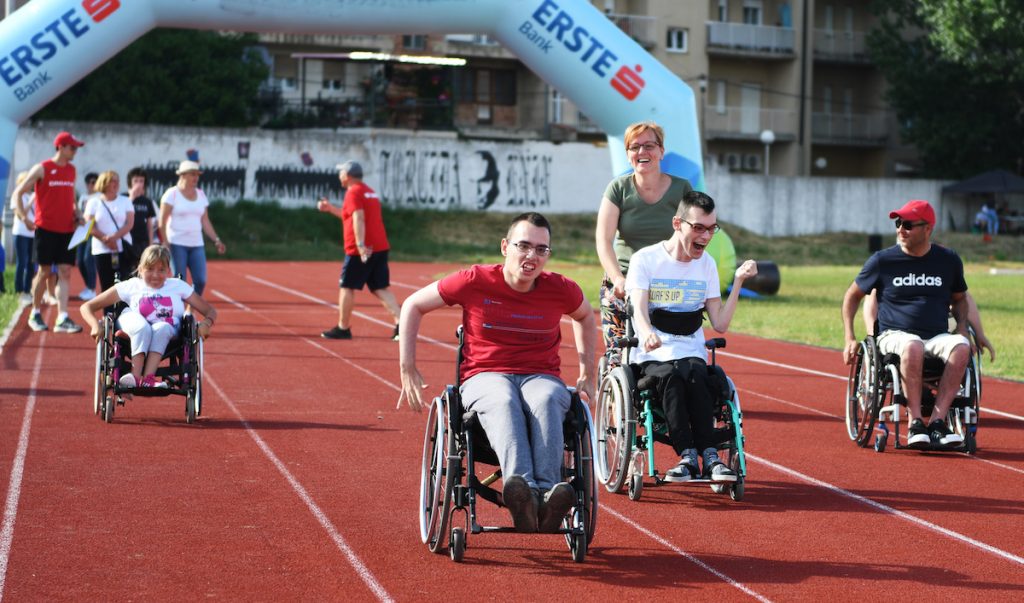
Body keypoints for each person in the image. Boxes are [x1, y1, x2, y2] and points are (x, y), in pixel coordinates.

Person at [397, 212, 597, 533]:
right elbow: (413, 305)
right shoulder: (475, 281)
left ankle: (548, 498)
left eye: (541, 249)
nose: (532, 256)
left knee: (547, 399)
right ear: (505, 247)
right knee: (503, 399)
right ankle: (523, 492)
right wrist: (407, 366)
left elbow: (586, 316)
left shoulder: (560, 288)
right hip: (485, 375)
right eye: (523, 246)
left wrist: (588, 372)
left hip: (540, 375)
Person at [626, 191, 757, 482]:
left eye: (711, 228)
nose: (706, 236)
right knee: (671, 378)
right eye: (698, 228)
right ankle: (687, 456)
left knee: (698, 377)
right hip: (654, 352)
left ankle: (710, 456)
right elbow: (638, 307)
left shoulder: (706, 264)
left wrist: (738, 281)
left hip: (690, 349)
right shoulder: (645, 259)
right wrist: (646, 333)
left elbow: (720, 323)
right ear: (677, 224)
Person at [842, 200, 971, 449]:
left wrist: (963, 325)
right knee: (912, 345)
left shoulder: (948, 260)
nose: (901, 229)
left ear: (927, 229)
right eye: (898, 223)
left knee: (962, 346)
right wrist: (849, 336)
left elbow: (960, 299)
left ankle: (937, 422)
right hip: (894, 335)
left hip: (936, 336)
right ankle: (915, 423)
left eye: (908, 225)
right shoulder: (882, 260)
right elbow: (852, 296)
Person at [595, 121, 693, 346]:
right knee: (620, 354)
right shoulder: (618, 188)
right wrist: (618, 279)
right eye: (634, 147)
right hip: (624, 280)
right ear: (628, 154)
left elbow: (692, 236)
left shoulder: (682, 189)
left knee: (671, 352)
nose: (642, 152)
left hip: (667, 284)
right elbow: (603, 240)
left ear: (661, 151)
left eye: (649, 146)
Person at [80, 245, 218, 389]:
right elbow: (87, 307)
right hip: (133, 328)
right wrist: (95, 325)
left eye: (161, 270)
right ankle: (134, 377)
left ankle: (148, 379)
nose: (155, 275)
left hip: (167, 333)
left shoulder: (178, 286)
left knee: (162, 327)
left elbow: (210, 311)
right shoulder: (131, 286)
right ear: (140, 269)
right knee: (142, 327)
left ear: (168, 271)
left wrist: (206, 323)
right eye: (150, 269)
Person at [10, 131, 86, 333]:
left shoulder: (71, 170)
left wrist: (78, 214)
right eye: (72, 147)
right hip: (45, 229)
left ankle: (62, 317)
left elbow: (71, 198)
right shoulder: (42, 168)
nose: (75, 151)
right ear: (60, 147)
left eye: (76, 148)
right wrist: (24, 218)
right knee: (44, 272)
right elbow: (18, 193)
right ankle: (35, 313)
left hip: (67, 229)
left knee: (65, 272)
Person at [317, 160, 400, 340]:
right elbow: (350, 215)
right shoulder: (368, 191)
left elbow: (359, 218)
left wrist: (361, 245)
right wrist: (330, 209)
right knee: (380, 287)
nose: (339, 175)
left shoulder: (353, 192)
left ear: (347, 176)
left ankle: (343, 328)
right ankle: (402, 324)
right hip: (379, 246)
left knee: (346, 286)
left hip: (360, 249)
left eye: (341, 173)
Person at [863, 290, 995, 363]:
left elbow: (963, 297)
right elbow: (871, 296)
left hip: (938, 331)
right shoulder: (891, 265)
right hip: (899, 333)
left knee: (961, 346)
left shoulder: (942, 263)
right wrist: (871, 335)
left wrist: (979, 334)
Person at [158, 160, 226, 295]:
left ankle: (191, 306)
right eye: (192, 174)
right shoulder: (172, 194)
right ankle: (178, 307)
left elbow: (205, 221)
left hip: (196, 244)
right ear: (182, 175)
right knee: (179, 280)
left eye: (197, 175)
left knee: (200, 280)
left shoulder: (201, 194)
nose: (196, 178)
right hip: (177, 243)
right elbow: (162, 221)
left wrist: (216, 240)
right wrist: (165, 241)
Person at [83, 171, 134, 294]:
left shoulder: (125, 201)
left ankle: (122, 307)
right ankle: (108, 307)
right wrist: (106, 240)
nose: (116, 184)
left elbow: (129, 224)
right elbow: (89, 226)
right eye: (113, 181)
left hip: (122, 248)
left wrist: (114, 238)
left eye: (117, 181)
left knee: (123, 283)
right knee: (106, 284)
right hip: (101, 249)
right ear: (104, 183)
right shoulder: (93, 202)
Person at [123, 166, 158, 275]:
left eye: (141, 181)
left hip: (142, 241)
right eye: (136, 181)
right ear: (130, 182)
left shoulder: (147, 201)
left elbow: (149, 224)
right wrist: (132, 197)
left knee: (141, 270)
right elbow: (119, 216)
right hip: (126, 241)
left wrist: (151, 243)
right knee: (126, 272)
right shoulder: (123, 198)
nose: (138, 184)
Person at [10, 171, 38, 303]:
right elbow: (20, 214)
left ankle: (27, 290)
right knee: (21, 262)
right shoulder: (17, 195)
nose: (30, 184)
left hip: (32, 234)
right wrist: (31, 201)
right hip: (20, 233)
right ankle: (19, 290)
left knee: (31, 263)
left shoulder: (31, 195)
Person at [76, 172, 99, 301]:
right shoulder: (83, 197)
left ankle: (92, 288)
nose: (92, 185)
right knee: (80, 261)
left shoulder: (99, 197)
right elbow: (80, 212)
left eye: (95, 182)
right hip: (81, 231)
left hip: (93, 231)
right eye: (90, 182)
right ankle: (88, 286)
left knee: (88, 259)